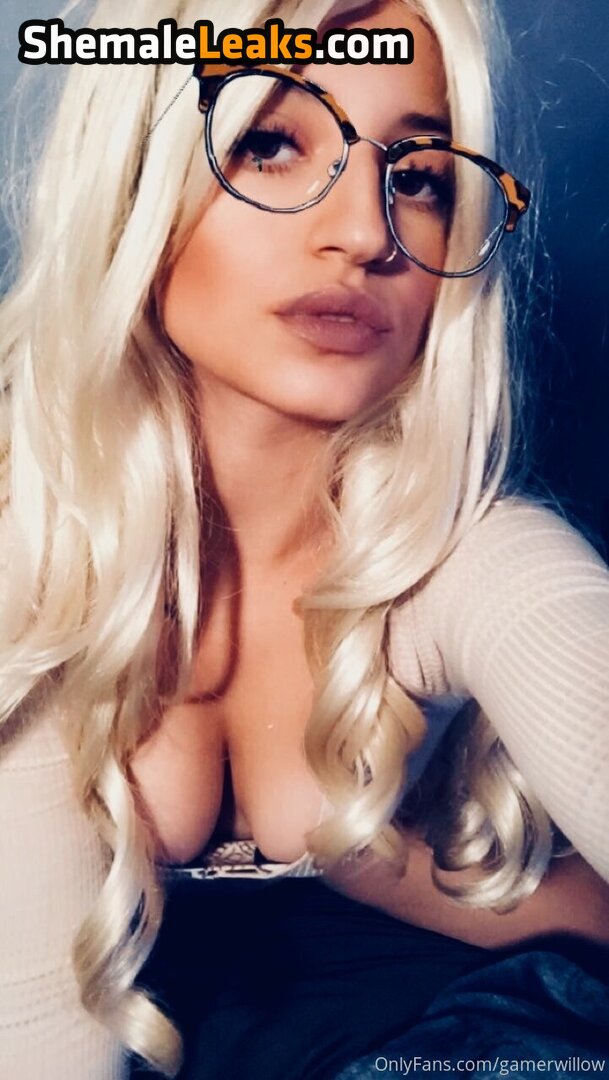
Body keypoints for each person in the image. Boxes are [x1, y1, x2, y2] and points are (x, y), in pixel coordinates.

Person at [0, 0, 608, 1078]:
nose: (367, 233)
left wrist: (397, 870)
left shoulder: (468, 558)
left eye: (418, 177)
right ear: (134, 183)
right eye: (271, 145)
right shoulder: (29, 573)